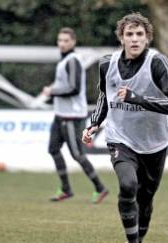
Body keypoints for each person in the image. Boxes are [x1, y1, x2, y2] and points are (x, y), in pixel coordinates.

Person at [82, 13, 168, 243]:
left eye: (140, 34)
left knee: (146, 198)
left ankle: (136, 241)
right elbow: (104, 96)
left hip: (154, 143)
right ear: (121, 38)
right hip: (120, 138)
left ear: (148, 38)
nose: (135, 39)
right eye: (129, 34)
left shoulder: (158, 63)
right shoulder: (107, 64)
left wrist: (139, 99)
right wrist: (94, 123)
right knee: (128, 184)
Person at [42, 27, 108, 203]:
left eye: (65, 40)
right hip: (60, 115)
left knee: (77, 155)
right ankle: (66, 189)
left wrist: (52, 91)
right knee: (53, 149)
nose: (62, 44)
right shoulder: (64, 62)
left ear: (73, 42)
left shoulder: (73, 61)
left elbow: (74, 88)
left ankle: (100, 188)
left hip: (71, 116)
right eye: (60, 40)